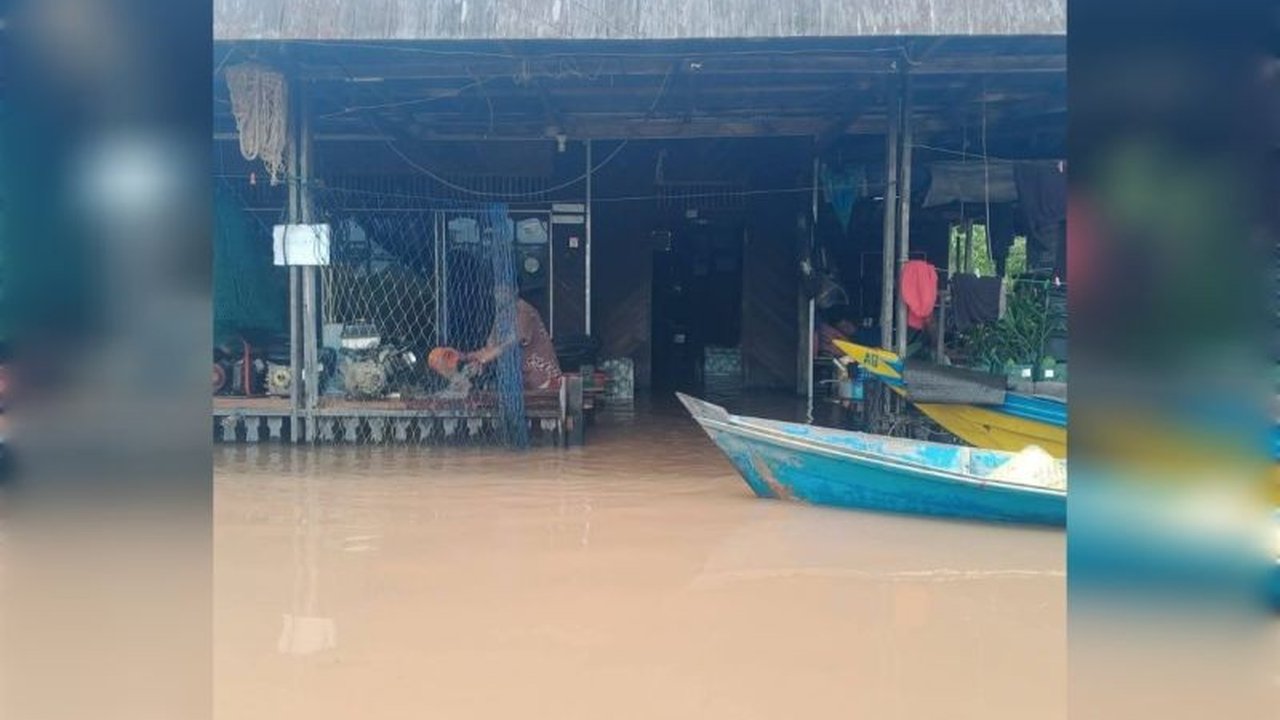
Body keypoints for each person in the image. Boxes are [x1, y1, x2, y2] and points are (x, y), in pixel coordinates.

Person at [464, 285, 563, 391]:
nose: (498, 294)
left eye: (503, 290)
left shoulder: (523, 309)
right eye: (496, 291)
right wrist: (477, 360)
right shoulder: (501, 316)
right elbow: (490, 347)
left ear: (514, 291)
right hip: (521, 380)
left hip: (543, 377)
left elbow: (515, 339)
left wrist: (491, 354)